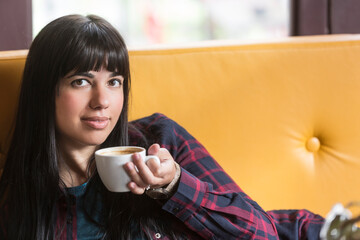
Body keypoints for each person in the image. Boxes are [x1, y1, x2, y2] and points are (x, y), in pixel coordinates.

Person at [0, 14, 324, 239]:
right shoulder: (18, 204)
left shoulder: (159, 138)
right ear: (45, 91)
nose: (102, 101)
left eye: (114, 81)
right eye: (82, 81)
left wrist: (174, 186)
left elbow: (261, 233)